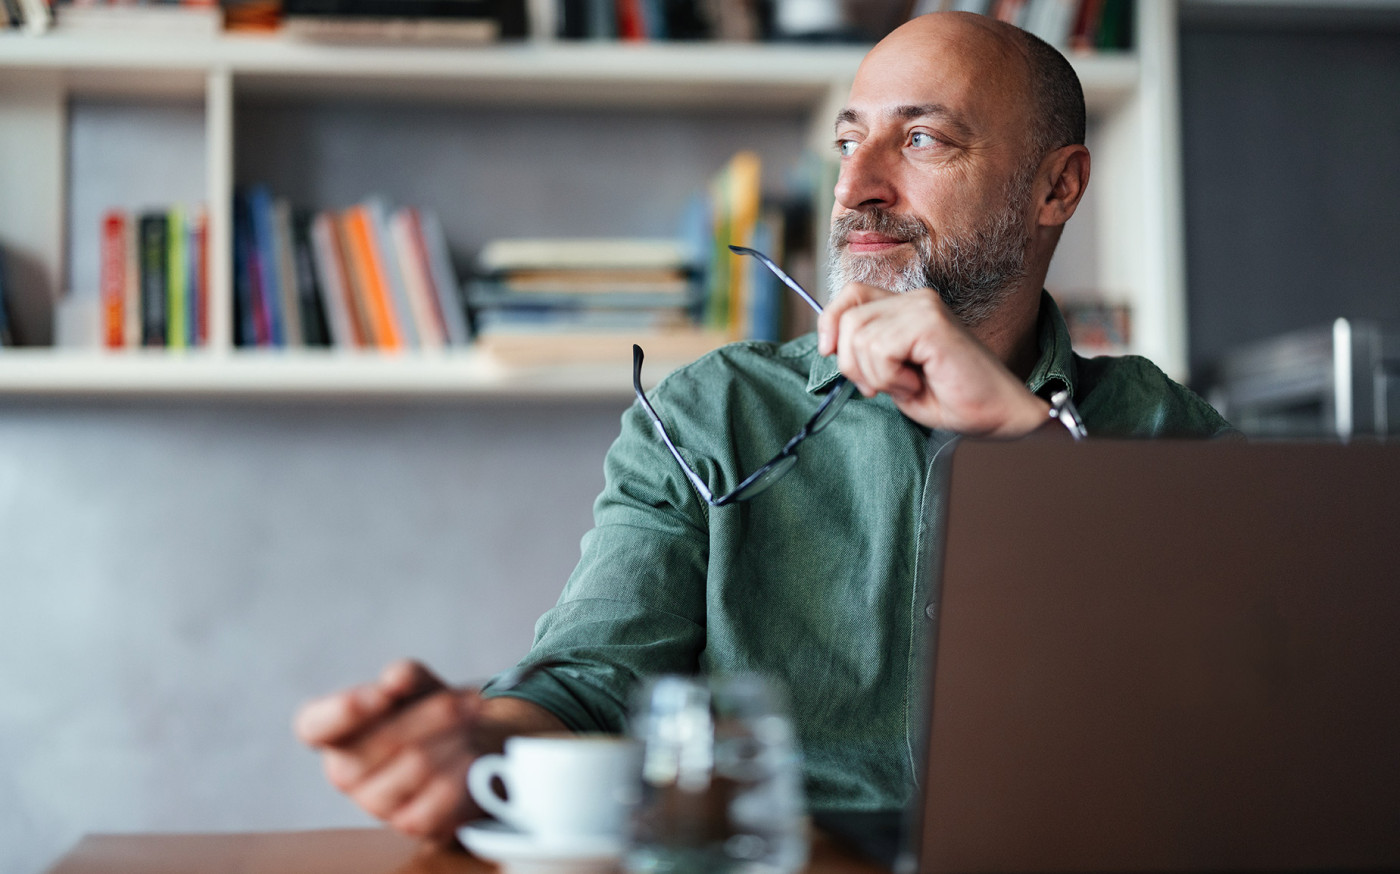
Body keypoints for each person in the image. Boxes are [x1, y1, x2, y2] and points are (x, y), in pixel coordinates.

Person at [294, 11, 1234, 844]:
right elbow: (589, 679)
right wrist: (485, 742)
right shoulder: (712, 411)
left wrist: (1027, 446)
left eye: (922, 140)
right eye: (847, 142)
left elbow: (1253, 695)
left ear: (1057, 190)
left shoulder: (1159, 427)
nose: (857, 188)